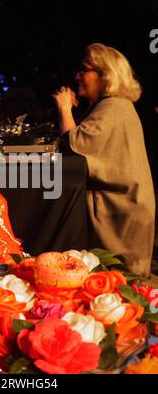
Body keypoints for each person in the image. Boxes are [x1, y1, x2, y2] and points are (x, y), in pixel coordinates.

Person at [52, 43, 155, 275]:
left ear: (105, 75)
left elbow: (74, 147)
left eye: (84, 70)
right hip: (126, 206)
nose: (78, 76)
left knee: (121, 283)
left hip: (122, 212)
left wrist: (64, 108)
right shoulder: (112, 107)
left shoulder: (113, 108)